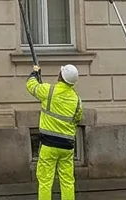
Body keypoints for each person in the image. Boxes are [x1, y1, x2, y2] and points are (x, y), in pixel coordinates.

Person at [27, 64, 83, 200]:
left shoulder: (49, 91)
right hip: (67, 146)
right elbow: (77, 118)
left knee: (45, 181)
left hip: (49, 145)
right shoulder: (77, 100)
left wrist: (34, 73)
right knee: (68, 181)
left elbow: (31, 86)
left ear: (60, 76)